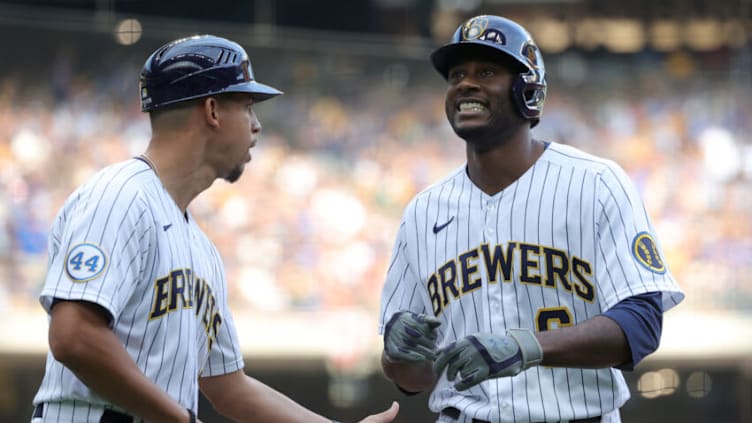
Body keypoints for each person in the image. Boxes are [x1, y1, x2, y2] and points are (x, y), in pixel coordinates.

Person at [30, 34, 399, 423]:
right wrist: (180, 419)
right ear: (212, 110)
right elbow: (74, 337)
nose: (256, 126)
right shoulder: (121, 196)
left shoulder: (201, 248)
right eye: (247, 106)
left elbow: (230, 388)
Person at [378, 15, 684, 423]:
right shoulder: (422, 212)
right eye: (455, 75)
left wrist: (529, 347)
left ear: (528, 90)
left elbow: (642, 324)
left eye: (486, 71)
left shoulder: (595, 182)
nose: (465, 84)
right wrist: (397, 355)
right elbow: (413, 379)